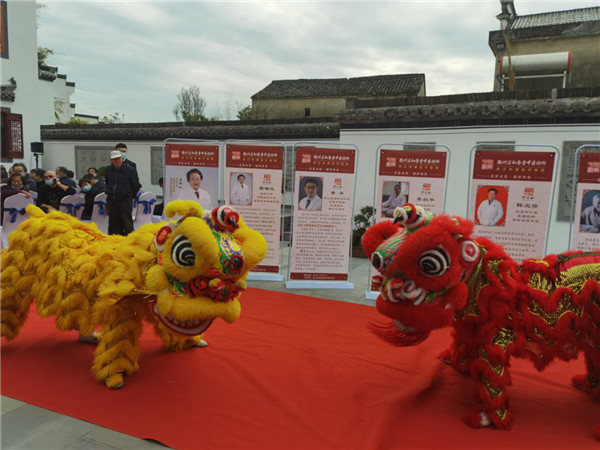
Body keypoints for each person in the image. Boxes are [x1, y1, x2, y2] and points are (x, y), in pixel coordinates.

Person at [105, 150, 141, 235]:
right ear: (111, 160)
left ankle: (130, 240)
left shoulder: (130, 170)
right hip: (112, 200)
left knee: (127, 222)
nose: (117, 161)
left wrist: (129, 195)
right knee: (113, 223)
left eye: (119, 158)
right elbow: (108, 183)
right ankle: (113, 240)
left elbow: (136, 185)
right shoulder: (108, 170)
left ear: (122, 158)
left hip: (125, 200)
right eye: (115, 159)